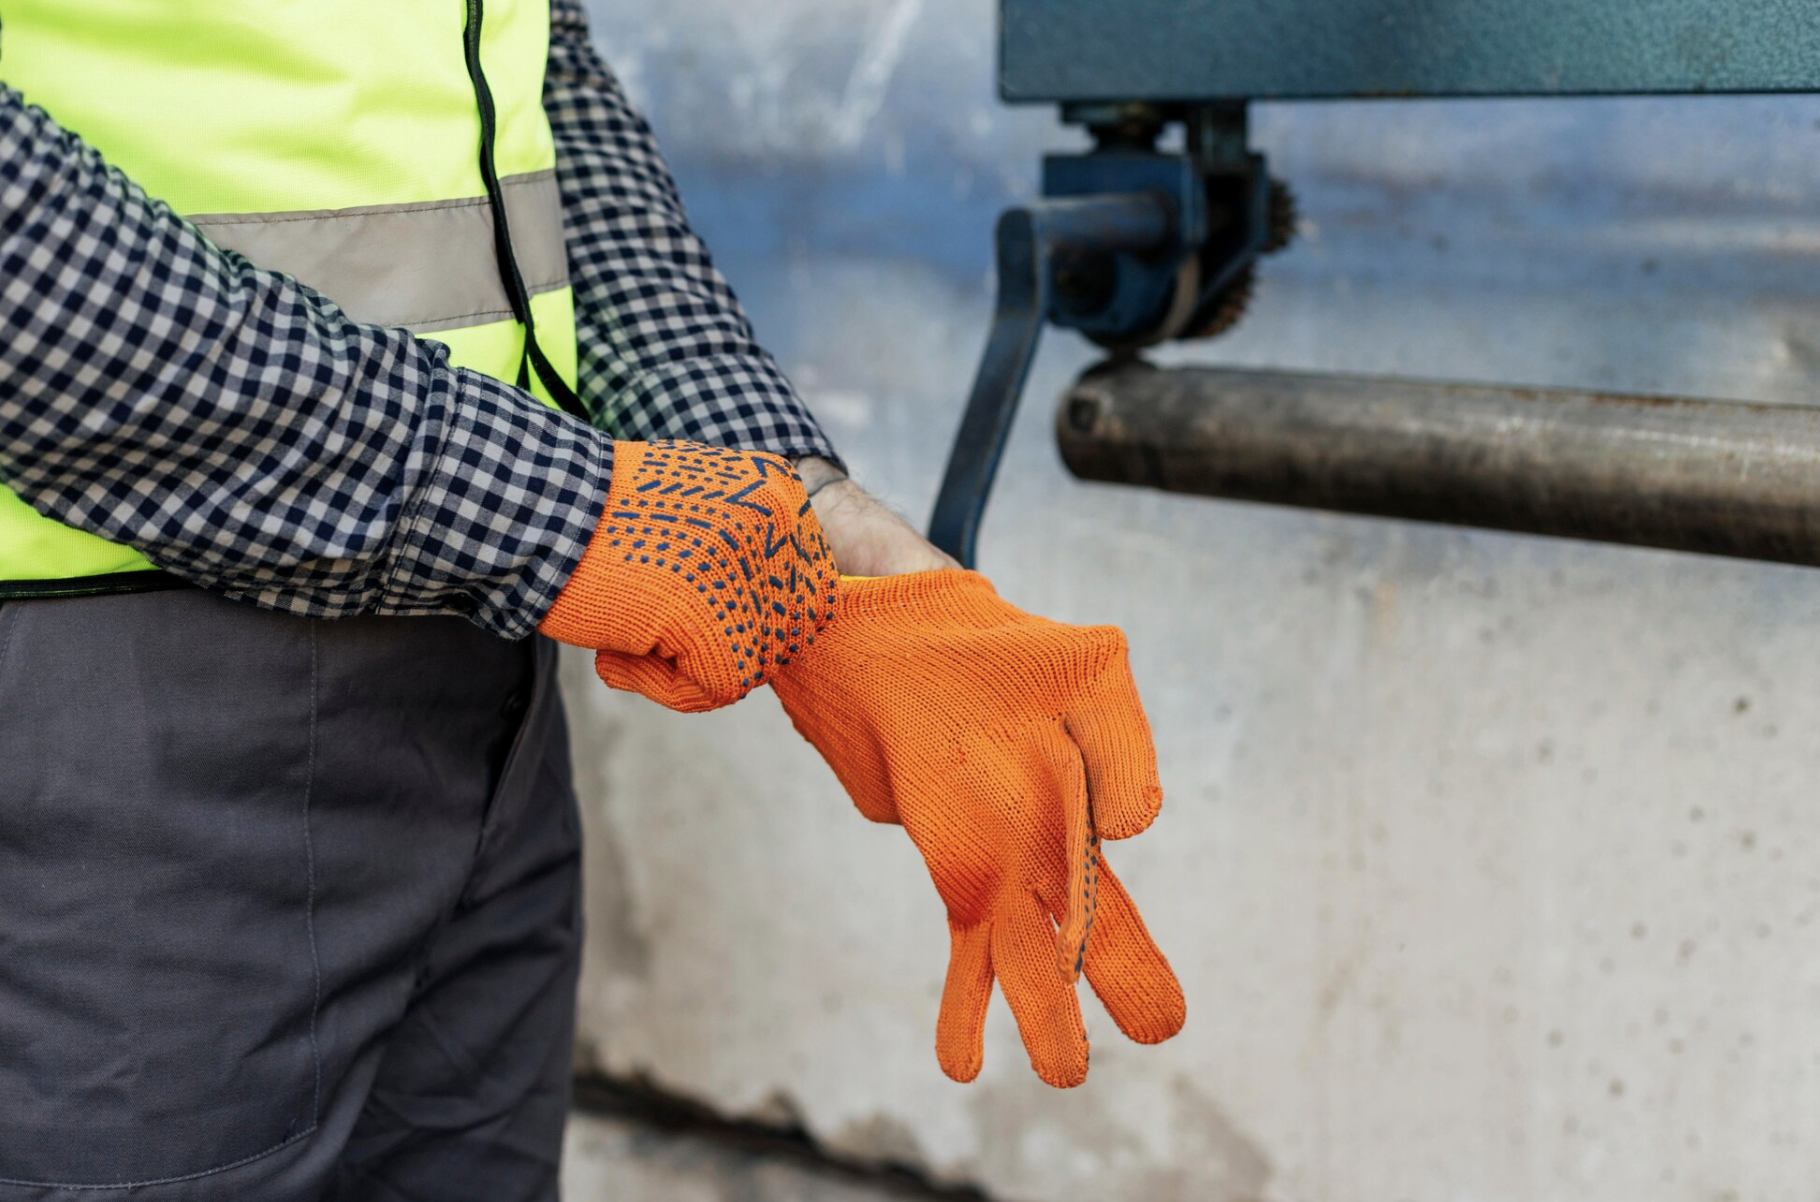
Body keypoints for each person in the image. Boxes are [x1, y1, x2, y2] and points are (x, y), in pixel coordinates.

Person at [0, 2, 1184, 1197]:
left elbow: (534, 84)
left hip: (481, 682)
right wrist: (561, 514)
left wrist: (802, 516)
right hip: (111, 700)